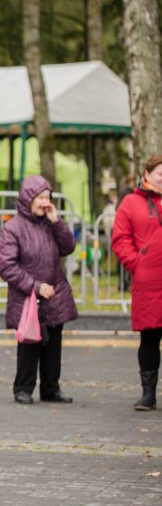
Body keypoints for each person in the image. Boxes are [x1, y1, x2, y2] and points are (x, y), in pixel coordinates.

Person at [0, 175, 78, 405]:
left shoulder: (51, 224)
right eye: (40, 198)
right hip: (29, 296)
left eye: (48, 197)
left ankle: (51, 388)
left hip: (55, 294)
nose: (45, 202)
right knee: (29, 343)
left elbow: (68, 247)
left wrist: (57, 222)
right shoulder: (13, 228)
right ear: (27, 199)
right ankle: (23, 388)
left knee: (54, 343)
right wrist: (35, 286)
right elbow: (7, 266)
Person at [112, 155, 162, 411]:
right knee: (150, 337)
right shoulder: (130, 203)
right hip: (149, 283)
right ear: (147, 173)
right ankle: (148, 393)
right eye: (160, 174)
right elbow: (120, 238)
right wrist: (137, 264)